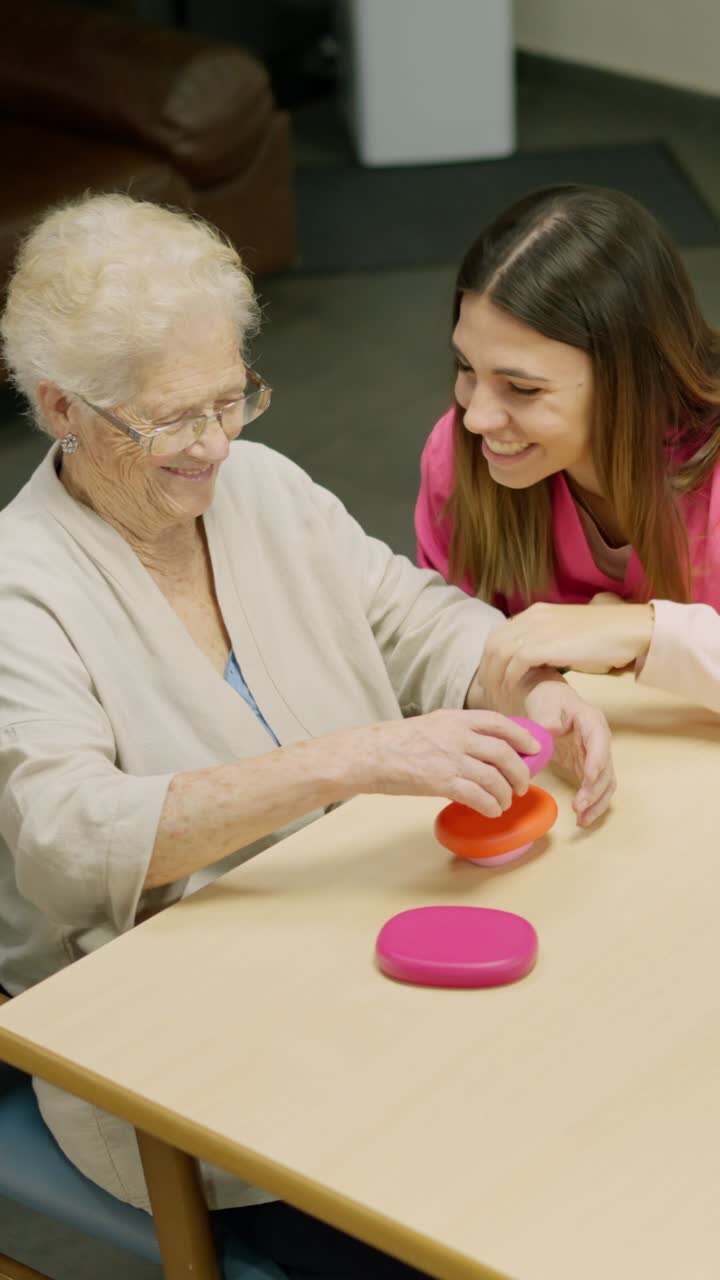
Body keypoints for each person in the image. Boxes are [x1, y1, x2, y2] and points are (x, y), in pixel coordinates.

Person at [0, 194, 612, 1280]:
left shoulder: (259, 486)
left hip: (365, 938)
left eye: (234, 396)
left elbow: (410, 611)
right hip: (185, 1041)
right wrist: (360, 756)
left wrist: (527, 676)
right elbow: (65, 835)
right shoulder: (19, 592)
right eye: (176, 417)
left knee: (577, 1128)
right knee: (460, 1228)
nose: (219, 442)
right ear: (62, 406)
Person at [415, 185, 720, 715]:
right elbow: (449, 654)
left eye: (523, 388)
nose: (476, 416)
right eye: (467, 368)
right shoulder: (457, 454)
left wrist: (643, 630)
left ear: (630, 378)